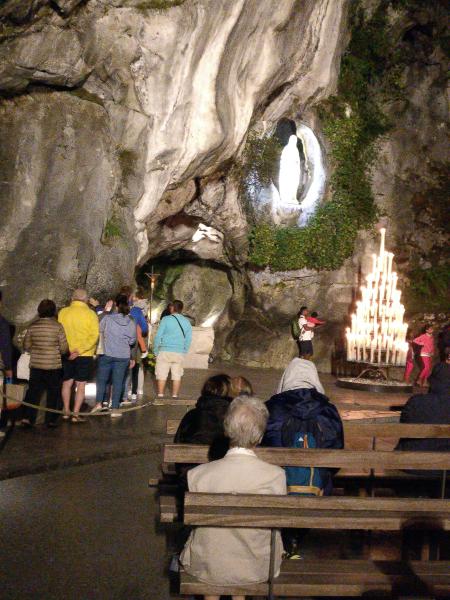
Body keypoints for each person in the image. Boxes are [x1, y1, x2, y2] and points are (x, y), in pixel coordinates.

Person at [180, 396, 287, 597]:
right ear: (260, 436)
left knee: (214, 552)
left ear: (227, 430)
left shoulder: (198, 475)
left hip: (208, 564)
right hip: (255, 566)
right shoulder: (275, 476)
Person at [263, 357, 343, 556]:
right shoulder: (328, 410)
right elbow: (338, 449)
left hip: (275, 484)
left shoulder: (271, 408)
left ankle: (285, 539)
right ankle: (297, 537)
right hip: (318, 485)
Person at [174, 374, 233, 485]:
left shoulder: (192, 416)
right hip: (226, 478)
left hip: (190, 477)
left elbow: (178, 443)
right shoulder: (235, 418)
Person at [20, 300, 69, 428]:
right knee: (53, 393)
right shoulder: (58, 326)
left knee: (33, 393)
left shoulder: (33, 326)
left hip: (36, 365)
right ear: (53, 311)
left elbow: (26, 345)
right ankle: (50, 420)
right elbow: (64, 348)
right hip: (53, 365)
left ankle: (28, 418)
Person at [397, 347, 450, 454]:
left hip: (409, 463)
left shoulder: (416, 402)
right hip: (444, 468)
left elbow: (404, 423)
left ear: (432, 381)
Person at [58, 289, 99, 423]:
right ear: (86, 299)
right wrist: (79, 350)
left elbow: (60, 333)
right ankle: (75, 414)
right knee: (81, 384)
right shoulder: (91, 314)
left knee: (66, 382)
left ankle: (65, 411)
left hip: (67, 353)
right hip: (84, 354)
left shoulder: (63, 312)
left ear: (72, 298)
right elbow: (94, 336)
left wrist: (70, 351)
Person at [92, 294, 136, 418]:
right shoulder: (131, 321)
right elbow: (132, 341)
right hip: (122, 356)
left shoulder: (107, 319)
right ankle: (115, 408)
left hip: (107, 353)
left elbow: (99, 331)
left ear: (116, 305)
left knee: (102, 379)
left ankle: (99, 403)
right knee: (118, 381)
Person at [153, 299, 192, 398]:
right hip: (178, 352)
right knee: (177, 375)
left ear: (172, 308)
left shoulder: (165, 319)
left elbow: (158, 336)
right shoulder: (186, 322)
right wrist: (184, 351)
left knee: (161, 374)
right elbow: (188, 339)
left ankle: (161, 395)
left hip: (164, 351)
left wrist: (155, 350)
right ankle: (174, 396)